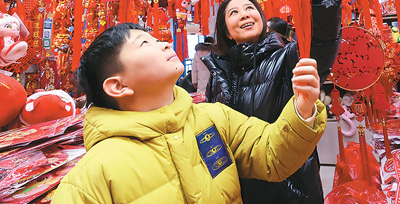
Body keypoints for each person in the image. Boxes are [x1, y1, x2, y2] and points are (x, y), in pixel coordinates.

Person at [52, 22, 327, 204]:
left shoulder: (214, 118)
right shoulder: (92, 175)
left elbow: (272, 154)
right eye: (144, 43)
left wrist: (302, 108)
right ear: (118, 86)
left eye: (156, 39)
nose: (164, 43)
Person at [202, 0, 342, 204]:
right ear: (227, 31)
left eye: (249, 8)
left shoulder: (286, 57)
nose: (244, 14)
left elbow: (320, 41)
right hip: (237, 189)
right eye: (233, 12)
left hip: (290, 187)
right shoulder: (217, 72)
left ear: (262, 19)